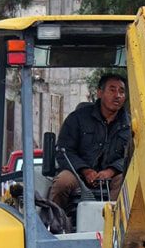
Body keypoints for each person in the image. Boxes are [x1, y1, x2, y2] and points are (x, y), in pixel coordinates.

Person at [49, 73, 131, 211]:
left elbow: (133, 155)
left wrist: (112, 170)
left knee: (128, 184)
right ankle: (55, 222)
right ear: (100, 93)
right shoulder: (77, 119)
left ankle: (114, 226)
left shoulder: (130, 124)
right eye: (112, 90)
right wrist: (85, 170)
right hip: (77, 173)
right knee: (62, 182)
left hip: (114, 175)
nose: (117, 95)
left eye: (121, 91)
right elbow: (64, 150)